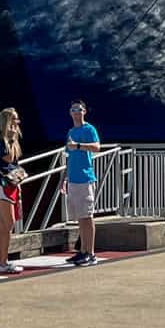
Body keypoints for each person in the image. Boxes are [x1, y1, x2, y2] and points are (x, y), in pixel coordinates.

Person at [0, 106, 25, 274]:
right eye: (14, 119)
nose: (17, 122)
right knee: (7, 223)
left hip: (11, 184)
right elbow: (5, 161)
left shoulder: (11, 140)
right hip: (2, 184)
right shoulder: (1, 141)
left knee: (3, 224)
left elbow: (13, 162)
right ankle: (2, 261)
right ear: (6, 122)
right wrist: (10, 137)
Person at [63, 99, 101, 267]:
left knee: (87, 216)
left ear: (84, 111)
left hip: (85, 178)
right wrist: (64, 178)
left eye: (79, 109)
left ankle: (90, 253)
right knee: (80, 217)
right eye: (73, 109)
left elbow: (97, 147)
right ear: (70, 113)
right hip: (73, 178)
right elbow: (68, 156)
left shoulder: (89, 129)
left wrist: (78, 145)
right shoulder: (71, 131)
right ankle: (83, 250)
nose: (76, 112)